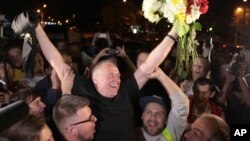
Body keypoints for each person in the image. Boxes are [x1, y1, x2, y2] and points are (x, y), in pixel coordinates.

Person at [12, 11, 177, 141]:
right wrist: (37, 28)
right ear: (95, 79)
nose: (117, 79)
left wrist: (175, 31)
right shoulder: (84, 89)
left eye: (118, 75)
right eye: (111, 75)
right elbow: (56, 62)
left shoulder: (125, 92)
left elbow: (150, 64)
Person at [139, 68, 189, 141]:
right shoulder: (130, 133)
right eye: (148, 112)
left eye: (159, 114)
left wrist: (160, 75)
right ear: (142, 115)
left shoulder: (171, 132)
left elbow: (182, 103)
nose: (153, 118)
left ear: (166, 118)